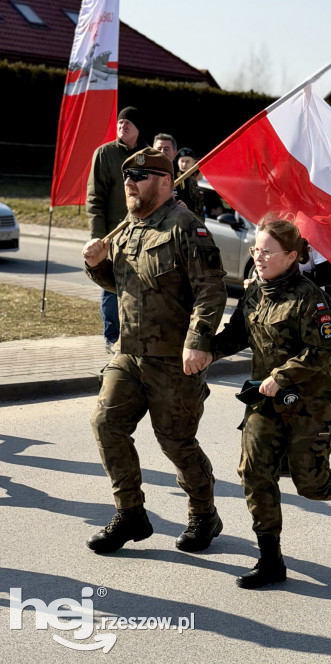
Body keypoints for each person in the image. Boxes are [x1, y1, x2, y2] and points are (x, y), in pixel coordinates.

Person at [205, 216, 331, 589]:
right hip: (265, 401)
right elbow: (238, 333)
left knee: (311, 484)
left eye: (267, 252)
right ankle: (270, 559)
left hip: (309, 402)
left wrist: (281, 376)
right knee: (254, 473)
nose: (258, 256)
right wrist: (204, 353)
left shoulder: (310, 297)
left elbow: (324, 349)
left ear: (290, 256)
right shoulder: (254, 291)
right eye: (256, 249)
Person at [81, 148, 227, 555]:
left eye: (140, 175)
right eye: (128, 175)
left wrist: (198, 342)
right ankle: (131, 514)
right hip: (129, 354)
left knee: (176, 443)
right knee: (106, 424)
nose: (130, 182)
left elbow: (210, 290)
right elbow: (125, 285)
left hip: (172, 361)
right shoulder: (128, 227)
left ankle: (204, 514)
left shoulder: (186, 227)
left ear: (164, 181)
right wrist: (97, 267)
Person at [86, 106, 147, 354]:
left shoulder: (148, 155)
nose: (122, 125)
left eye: (128, 122)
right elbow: (94, 198)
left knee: (143, 285)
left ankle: (137, 334)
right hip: (113, 234)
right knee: (111, 287)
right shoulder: (104, 154)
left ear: (138, 127)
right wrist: (98, 237)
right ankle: (112, 337)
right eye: (120, 122)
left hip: (144, 233)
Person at [175, 147, 205, 219]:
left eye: (187, 161)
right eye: (182, 161)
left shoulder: (200, 177)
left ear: (194, 162)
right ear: (177, 162)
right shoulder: (174, 178)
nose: (184, 164)